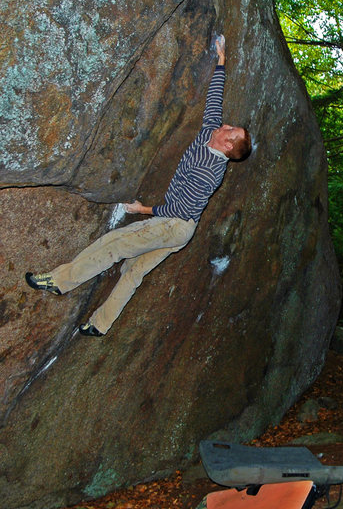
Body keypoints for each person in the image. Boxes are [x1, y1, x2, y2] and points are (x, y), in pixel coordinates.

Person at [25, 37, 251, 337]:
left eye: (231, 130)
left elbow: (180, 209)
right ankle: (100, 325)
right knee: (134, 271)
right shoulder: (210, 131)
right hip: (178, 227)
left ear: (228, 143)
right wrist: (221, 60)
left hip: (175, 225)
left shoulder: (211, 172)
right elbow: (214, 99)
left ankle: (59, 282)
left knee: (115, 244)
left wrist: (141, 209)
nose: (226, 125)